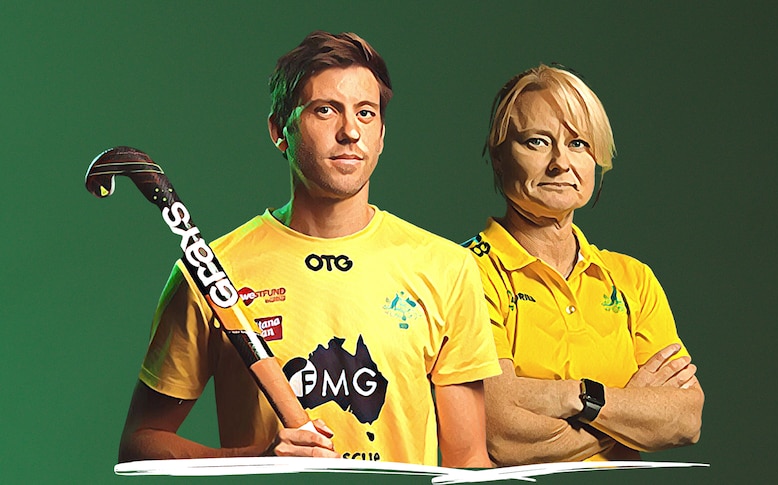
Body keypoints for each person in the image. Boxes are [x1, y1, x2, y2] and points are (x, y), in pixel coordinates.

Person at [118, 31, 500, 467]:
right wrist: (255, 459)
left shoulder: (447, 268)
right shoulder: (211, 270)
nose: (350, 131)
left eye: (366, 113)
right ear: (281, 131)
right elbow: (140, 443)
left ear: (381, 135)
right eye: (325, 111)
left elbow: (468, 460)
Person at [464, 64, 704, 465]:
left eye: (579, 144)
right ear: (499, 156)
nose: (561, 162)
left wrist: (573, 401)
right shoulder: (465, 273)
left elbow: (684, 419)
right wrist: (625, 407)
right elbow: (501, 435)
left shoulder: (633, 280)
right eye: (537, 142)